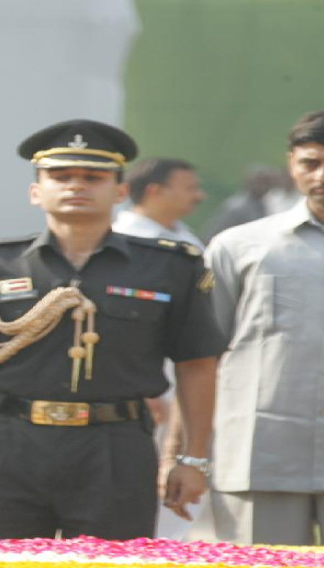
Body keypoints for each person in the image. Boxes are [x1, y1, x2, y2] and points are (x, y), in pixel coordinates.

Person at [0, 119, 224, 540]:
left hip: (116, 447)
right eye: (60, 176)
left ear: (120, 191)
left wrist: (193, 460)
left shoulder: (170, 266)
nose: (76, 186)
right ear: (36, 191)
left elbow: (197, 365)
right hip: (8, 444)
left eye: (93, 177)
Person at [205, 110, 324, 547]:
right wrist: (185, 452)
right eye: (311, 163)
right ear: (291, 164)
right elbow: (202, 355)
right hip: (262, 457)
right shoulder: (239, 246)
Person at [110, 157, 208, 538]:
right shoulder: (120, 241)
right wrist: (136, 385)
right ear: (154, 191)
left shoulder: (186, 241)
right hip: (139, 392)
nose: (199, 196)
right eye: (189, 188)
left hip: (187, 384)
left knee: (181, 485)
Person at [201, 165, 299, 243]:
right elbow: (213, 234)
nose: (264, 186)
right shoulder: (238, 206)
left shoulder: (266, 202)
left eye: (268, 182)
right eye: (261, 182)